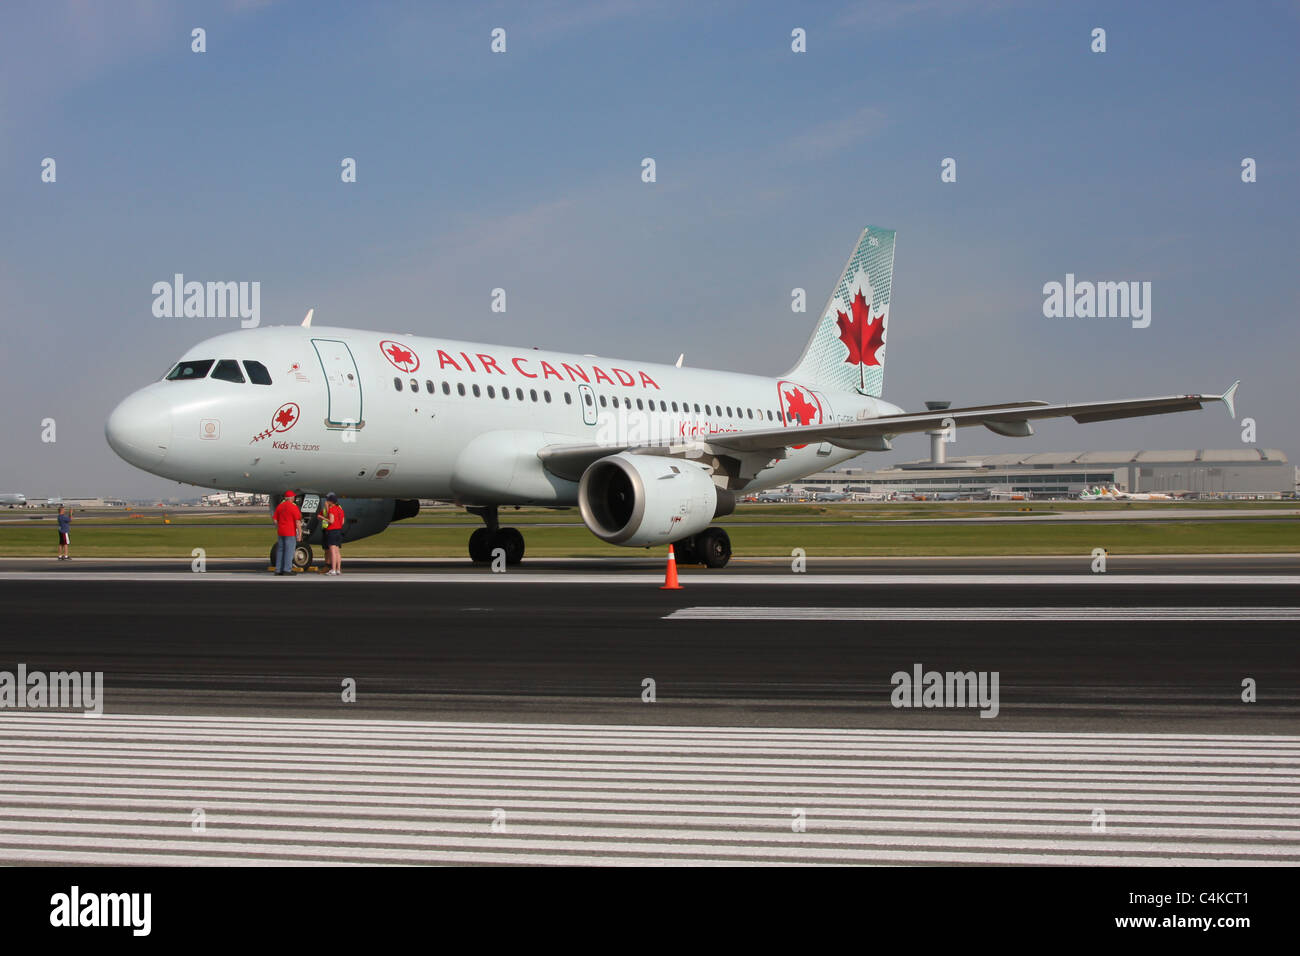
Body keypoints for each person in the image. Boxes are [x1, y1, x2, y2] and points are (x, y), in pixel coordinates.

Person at [271, 491, 302, 575]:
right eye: (293, 497)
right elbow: (297, 522)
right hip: (290, 532)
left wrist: (279, 526)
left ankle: (278, 569)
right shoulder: (293, 507)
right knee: (289, 551)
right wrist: (300, 533)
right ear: (291, 498)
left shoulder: (280, 507)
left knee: (280, 550)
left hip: (281, 531)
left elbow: (275, 520)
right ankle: (287, 569)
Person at [323, 493, 345, 575]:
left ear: (331, 501)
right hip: (339, 531)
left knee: (332, 551)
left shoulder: (332, 509)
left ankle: (333, 569)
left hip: (332, 531)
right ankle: (338, 569)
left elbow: (331, 521)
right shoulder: (340, 509)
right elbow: (342, 522)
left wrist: (323, 518)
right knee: (337, 551)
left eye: (328, 500)